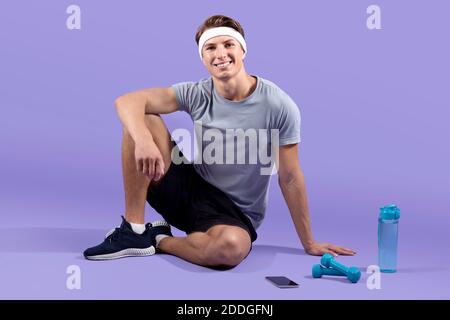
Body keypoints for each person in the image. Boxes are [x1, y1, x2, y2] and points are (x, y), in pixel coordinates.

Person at [83, 15, 356, 268]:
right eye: (210, 48)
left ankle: (157, 240)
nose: (220, 54)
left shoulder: (279, 105)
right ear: (203, 58)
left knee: (229, 249)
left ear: (243, 51)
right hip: (189, 191)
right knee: (143, 117)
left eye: (228, 44)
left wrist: (308, 242)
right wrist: (143, 139)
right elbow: (127, 101)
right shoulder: (197, 92)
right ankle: (134, 230)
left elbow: (290, 177)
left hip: (235, 214)